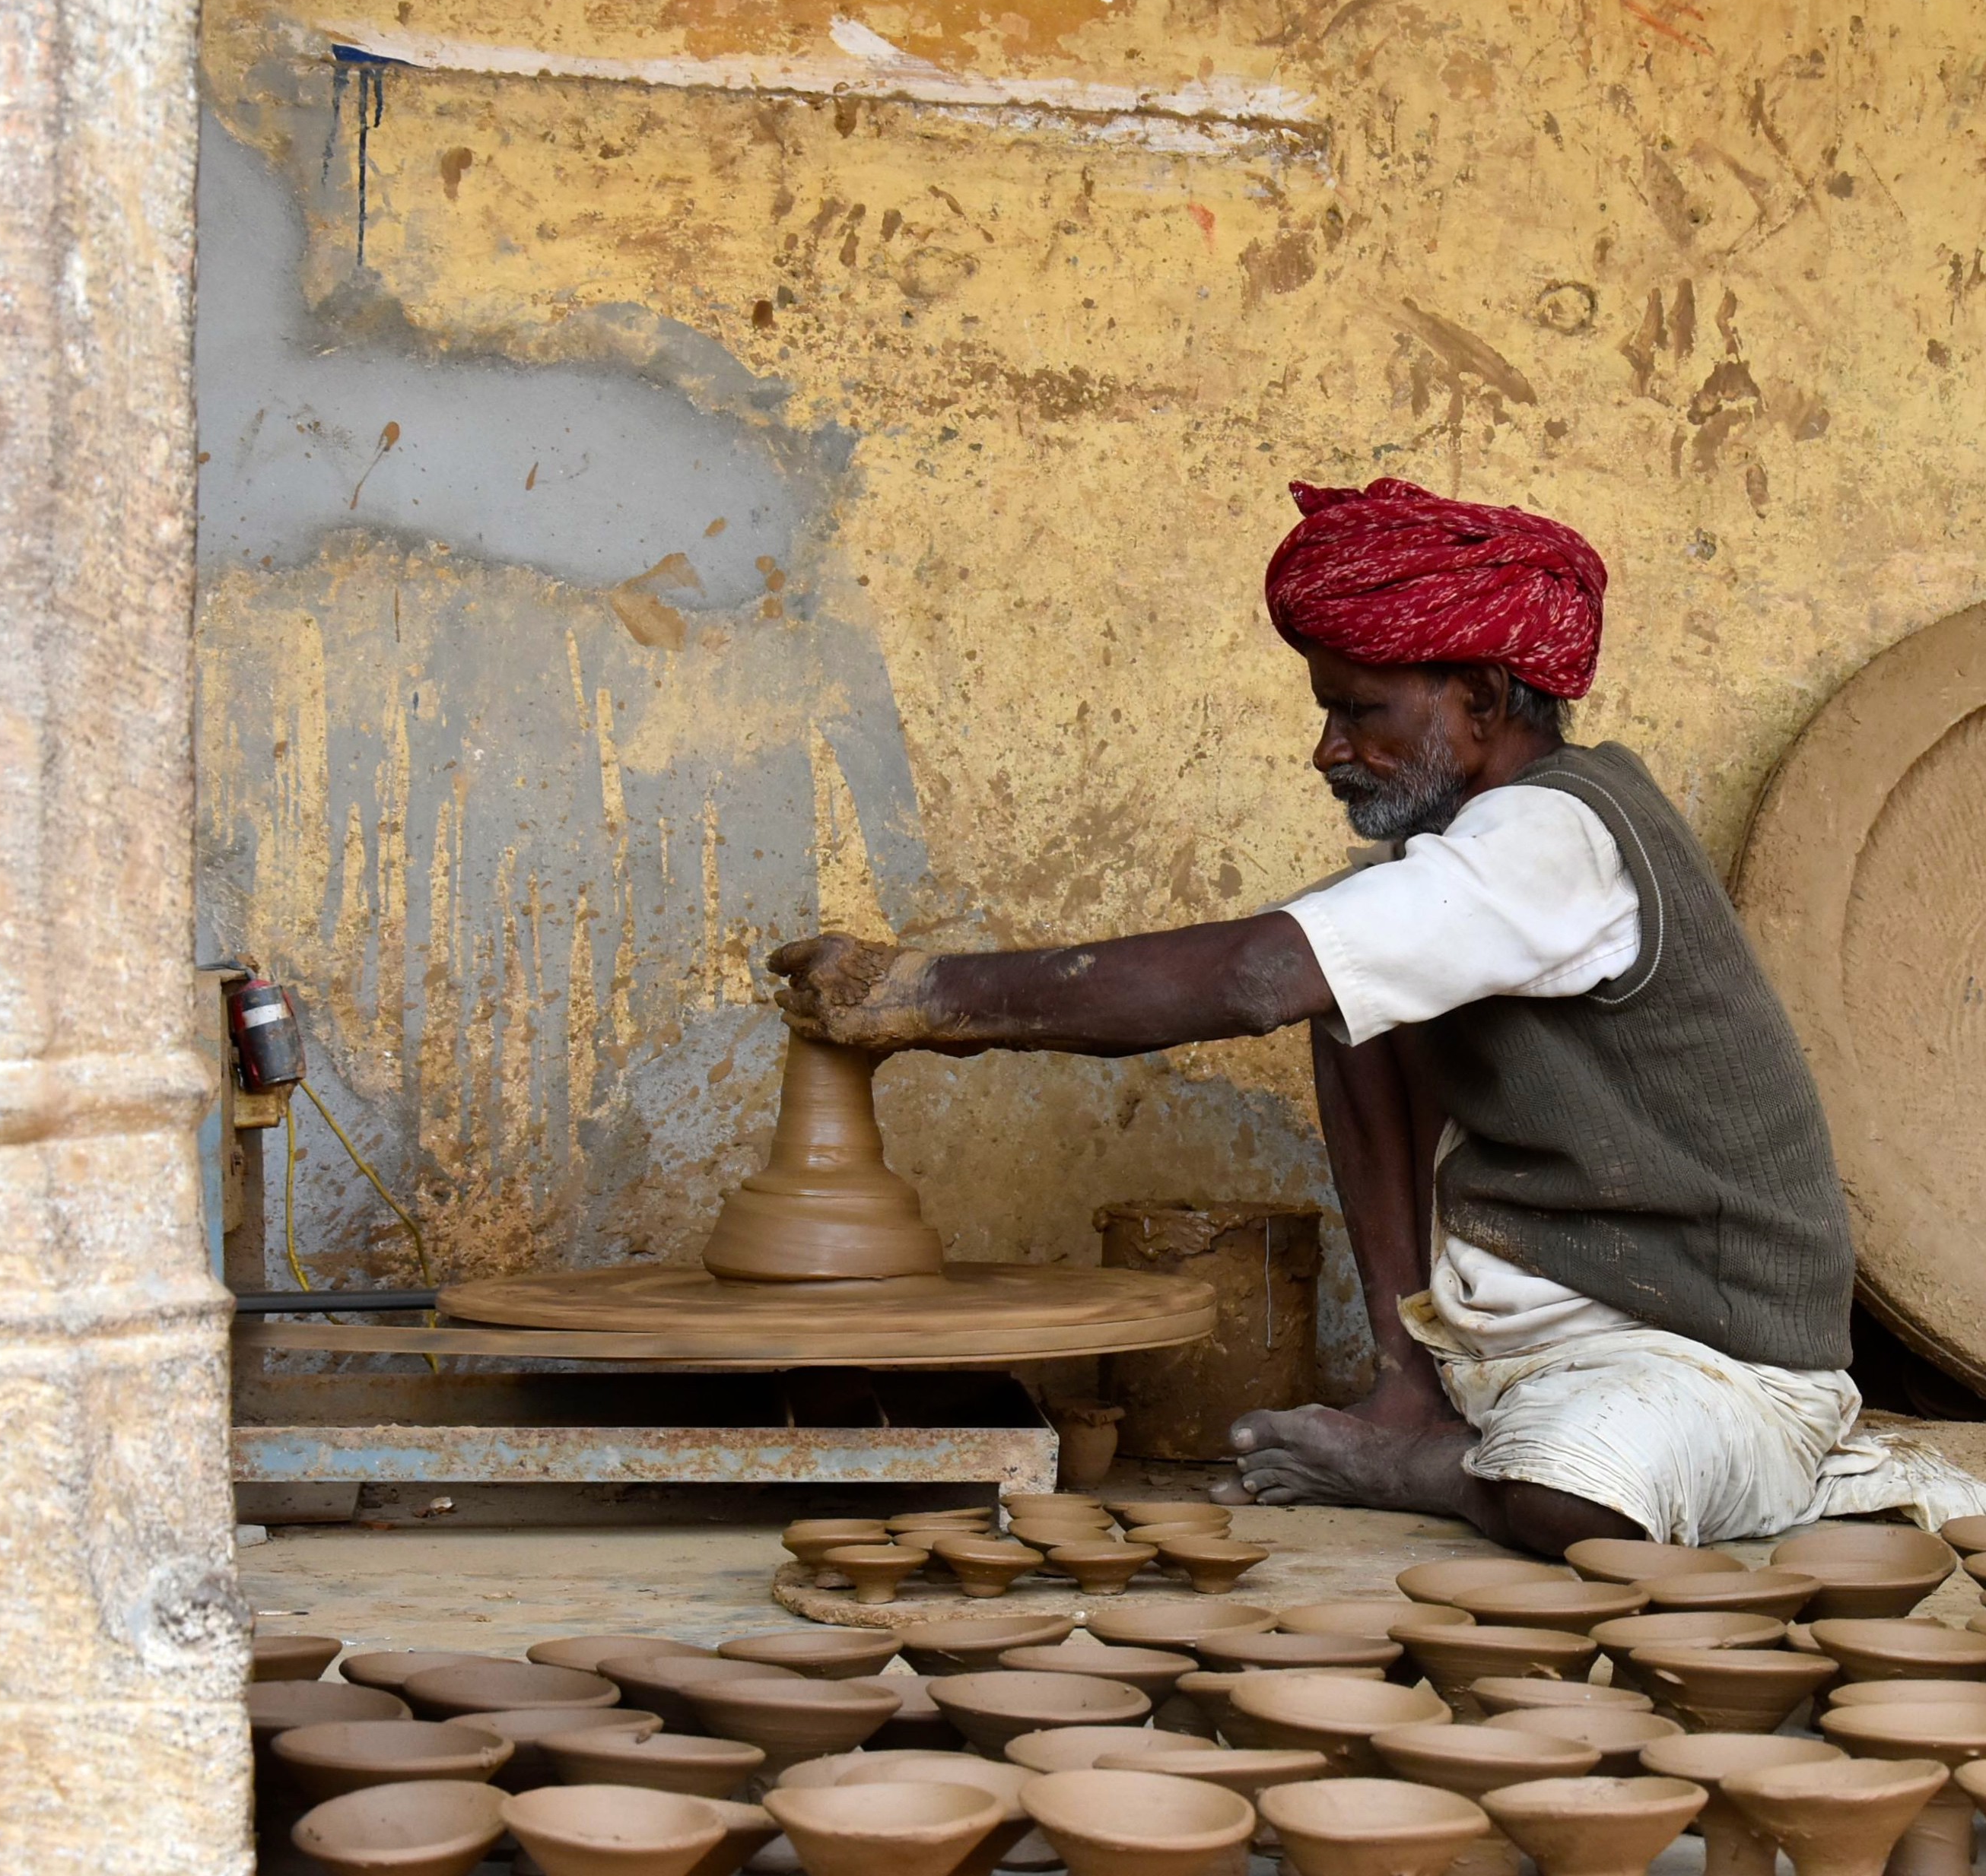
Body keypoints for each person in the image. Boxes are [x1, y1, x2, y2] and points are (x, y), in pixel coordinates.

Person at [771, 476, 1897, 1557]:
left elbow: (1251, 978)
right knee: (1346, 978)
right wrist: (1409, 1374)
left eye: (1361, 711)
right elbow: (1303, 987)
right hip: (1522, 1354)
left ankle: (1425, 1472)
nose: (1329, 750)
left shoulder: (1560, 841)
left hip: (1713, 1361)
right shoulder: (1448, 875)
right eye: (1327, 712)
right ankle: (1424, 1410)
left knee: (1578, 1500)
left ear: (1485, 698)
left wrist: (923, 995)